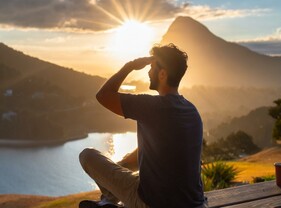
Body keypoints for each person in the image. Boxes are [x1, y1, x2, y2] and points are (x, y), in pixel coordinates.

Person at [79, 43, 206, 208]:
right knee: (128, 170)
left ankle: (110, 201)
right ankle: (108, 200)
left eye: (152, 67)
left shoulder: (151, 106)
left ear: (162, 74)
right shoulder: (191, 110)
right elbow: (156, 148)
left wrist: (129, 66)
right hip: (195, 204)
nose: (148, 71)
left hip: (151, 204)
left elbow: (103, 95)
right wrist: (122, 165)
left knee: (87, 156)